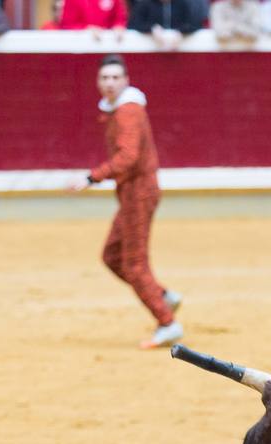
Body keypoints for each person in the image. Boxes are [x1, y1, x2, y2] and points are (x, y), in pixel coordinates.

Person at [69, 55, 183, 350]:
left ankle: (167, 322)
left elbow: (128, 157)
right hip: (134, 192)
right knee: (111, 255)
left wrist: (93, 177)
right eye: (104, 78)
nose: (109, 83)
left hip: (138, 193)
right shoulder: (121, 109)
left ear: (126, 81)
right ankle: (162, 296)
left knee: (133, 265)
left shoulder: (126, 111)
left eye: (115, 77)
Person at [127, 0, 201, 47]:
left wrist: (180, 32)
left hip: (178, 50)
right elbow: (133, 24)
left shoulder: (183, 3)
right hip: (151, 50)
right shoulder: (145, 4)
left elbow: (195, 24)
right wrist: (151, 28)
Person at [58, 0, 127, 30]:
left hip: (108, 46)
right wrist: (86, 28)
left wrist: (118, 26)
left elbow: (120, 18)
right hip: (81, 47)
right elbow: (66, 25)